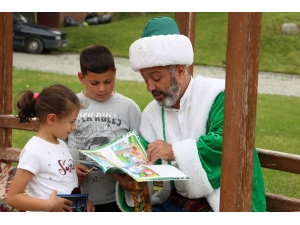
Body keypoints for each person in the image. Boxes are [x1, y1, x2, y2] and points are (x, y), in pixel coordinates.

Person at [114, 16, 266, 212]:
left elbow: (229, 143)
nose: (150, 87)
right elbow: (147, 154)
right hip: (176, 202)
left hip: (222, 202)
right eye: (145, 79)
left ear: (179, 70)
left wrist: (174, 151)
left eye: (156, 78)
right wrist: (130, 173)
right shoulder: (152, 113)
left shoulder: (218, 96)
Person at [67, 45, 142, 212]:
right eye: (94, 83)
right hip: (77, 196)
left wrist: (128, 177)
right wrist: (71, 170)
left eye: (108, 81)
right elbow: (55, 146)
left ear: (115, 73)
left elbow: (139, 152)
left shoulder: (129, 108)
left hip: (117, 198)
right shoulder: (70, 105)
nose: (102, 88)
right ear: (81, 77)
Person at [6, 84, 94, 212]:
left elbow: (52, 172)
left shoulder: (61, 144)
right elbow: (13, 198)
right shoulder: (33, 151)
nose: (74, 127)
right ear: (52, 119)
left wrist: (71, 171)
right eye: (71, 122)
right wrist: (49, 205)